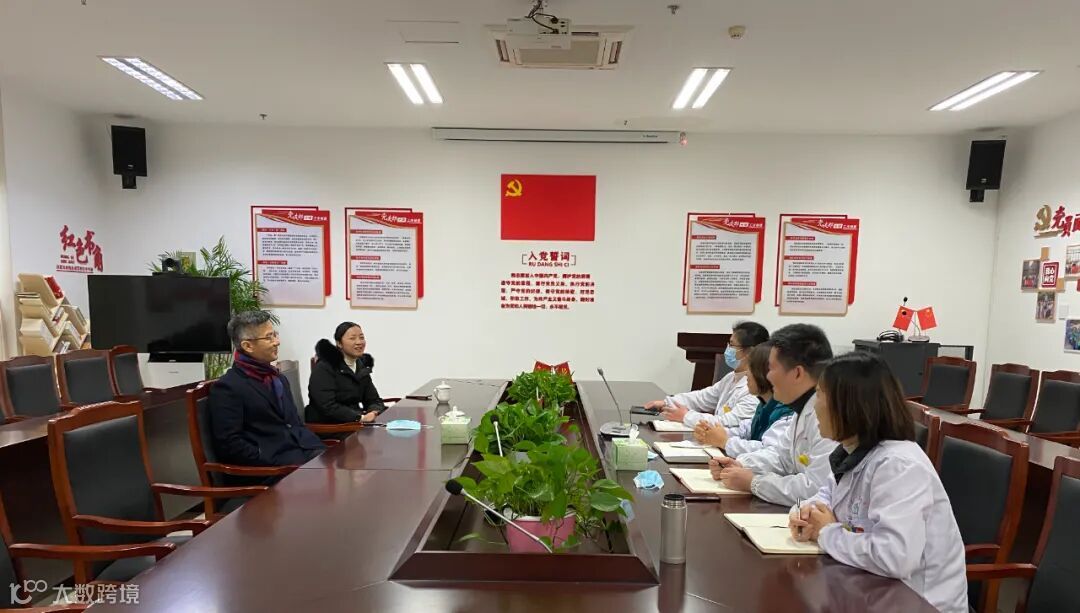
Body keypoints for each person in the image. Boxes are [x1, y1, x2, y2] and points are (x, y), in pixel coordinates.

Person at [788, 352, 967, 613]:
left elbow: (895, 557)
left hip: (918, 601)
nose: (815, 406)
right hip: (869, 588)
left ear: (848, 404)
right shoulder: (852, 452)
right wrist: (805, 513)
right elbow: (824, 496)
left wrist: (826, 532)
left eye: (820, 395)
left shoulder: (898, 466)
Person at [709, 323, 836, 506]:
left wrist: (754, 483)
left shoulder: (826, 417)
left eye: (772, 368)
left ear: (797, 373)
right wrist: (741, 465)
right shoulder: (802, 409)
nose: (767, 376)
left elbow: (815, 489)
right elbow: (780, 458)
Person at [208, 310, 325, 472]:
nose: (277, 342)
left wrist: (319, 451)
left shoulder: (279, 379)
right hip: (270, 470)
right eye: (269, 337)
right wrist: (278, 463)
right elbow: (231, 446)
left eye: (275, 335)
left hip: (304, 454)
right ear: (248, 346)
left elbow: (295, 424)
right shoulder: (229, 387)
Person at [646, 321, 769, 428]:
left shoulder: (756, 388)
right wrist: (667, 403)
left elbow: (728, 423)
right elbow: (702, 398)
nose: (727, 350)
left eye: (732, 345)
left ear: (750, 352)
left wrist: (686, 416)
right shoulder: (731, 377)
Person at [694, 342, 794, 458]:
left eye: (750, 369)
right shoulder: (764, 405)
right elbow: (746, 430)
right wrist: (712, 432)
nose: (746, 375)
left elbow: (769, 451)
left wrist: (725, 442)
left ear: (764, 373)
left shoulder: (787, 413)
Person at [306, 321, 386, 424]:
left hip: (354, 422)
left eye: (361, 338)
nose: (359, 342)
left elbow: (373, 399)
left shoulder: (360, 366)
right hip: (330, 426)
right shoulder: (325, 367)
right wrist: (360, 418)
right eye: (352, 338)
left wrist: (374, 412)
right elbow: (327, 406)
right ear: (339, 343)